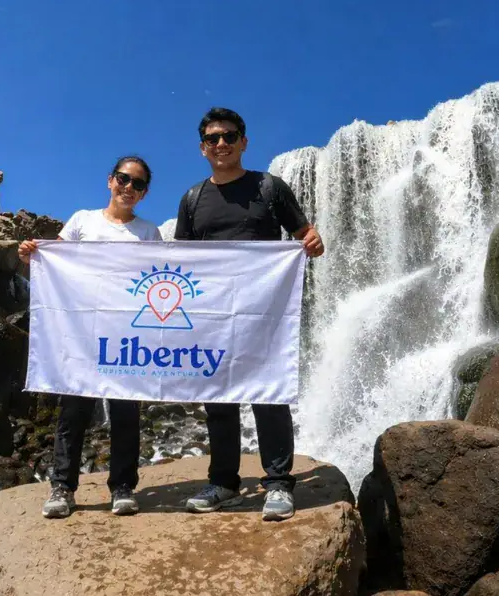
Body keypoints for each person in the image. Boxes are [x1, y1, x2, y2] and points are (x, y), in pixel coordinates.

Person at [174, 107, 324, 521]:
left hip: (263, 312)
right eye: (212, 139)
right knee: (218, 400)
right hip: (212, 313)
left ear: (243, 141)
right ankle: (224, 483)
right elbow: (181, 262)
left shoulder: (269, 187)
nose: (220, 144)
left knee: (267, 395)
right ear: (202, 148)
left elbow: (305, 234)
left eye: (228, 136)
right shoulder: (192, 199)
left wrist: (311, 240)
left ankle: (277, 483)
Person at [18, 155, 164, 519]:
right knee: (74, 411)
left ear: (144, 193)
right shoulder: (82, 220)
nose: (129, 187)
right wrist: (34, 255)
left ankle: (123, 487)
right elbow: (58, 261)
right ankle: (62, 487)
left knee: (126, 411)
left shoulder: (149, 232)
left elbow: (159, 276)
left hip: (128, 334)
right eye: (123, 179)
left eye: (138, 183)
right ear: (110, 181)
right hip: (81, 333)